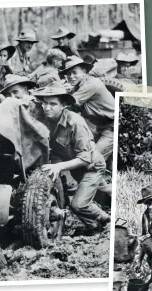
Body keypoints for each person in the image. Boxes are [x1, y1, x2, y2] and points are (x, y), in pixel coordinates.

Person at [34, 81, 110, 233]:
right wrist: (57, 169)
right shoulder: (45, 121)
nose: (47, 107)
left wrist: (59, 167)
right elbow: (54, 150)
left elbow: (85, 158)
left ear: (63, 105)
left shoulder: (75, 122)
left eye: (53, 104)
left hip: (92, 167)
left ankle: (108, 220)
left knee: (78, 205)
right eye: (45, 103)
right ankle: (94, 228)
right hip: (75, 166)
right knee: (79, 199)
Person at [60, 56, 114, 167]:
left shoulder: (91, 84)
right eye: (68, 74)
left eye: (75, 72)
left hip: (112, 127)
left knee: (92, 162)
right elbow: (74, 107)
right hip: (98, 126)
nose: (71, 76)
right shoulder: (79, 86)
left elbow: (68, 105)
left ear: (84, 71)